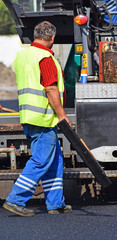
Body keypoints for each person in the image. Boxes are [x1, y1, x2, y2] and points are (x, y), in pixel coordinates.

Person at [3, 21, 72, 217]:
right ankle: (15, 199)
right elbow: (50, 89)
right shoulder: (45, 57)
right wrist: (62, 115)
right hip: (43, 117)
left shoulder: (23, 55)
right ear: (52, 38)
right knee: (42, 160)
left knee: (55, 160)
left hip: (29, 115)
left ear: (35, 35)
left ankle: (55, 203)